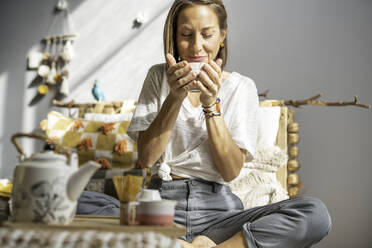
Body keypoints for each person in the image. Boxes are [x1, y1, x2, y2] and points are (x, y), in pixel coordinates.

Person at [127, 0, 332, 247]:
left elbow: (230, 171)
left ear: (222, 35)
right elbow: (147, 158)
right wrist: (175, 96)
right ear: (174, 36)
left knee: (314, 213)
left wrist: (211, 103)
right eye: (186, 35)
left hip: (220, 216)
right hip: (161, 207)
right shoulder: (158, 77)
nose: (196, 46)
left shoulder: (242, 87)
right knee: (81, 202)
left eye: (207, 34)